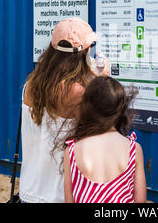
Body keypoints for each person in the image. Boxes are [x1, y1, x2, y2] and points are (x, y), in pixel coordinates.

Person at [19, 17, 109, 203]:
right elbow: (103, 129)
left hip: (28, 192)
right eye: (90, 47)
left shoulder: (31, 84)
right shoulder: (78, 92)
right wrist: (103, 81)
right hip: (59, 196)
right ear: (83, 53)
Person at [63, 76, 147, 203]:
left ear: (87, 107)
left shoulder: (72, 151)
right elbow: (140, 201)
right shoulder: (134, 149)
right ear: (120, 109)